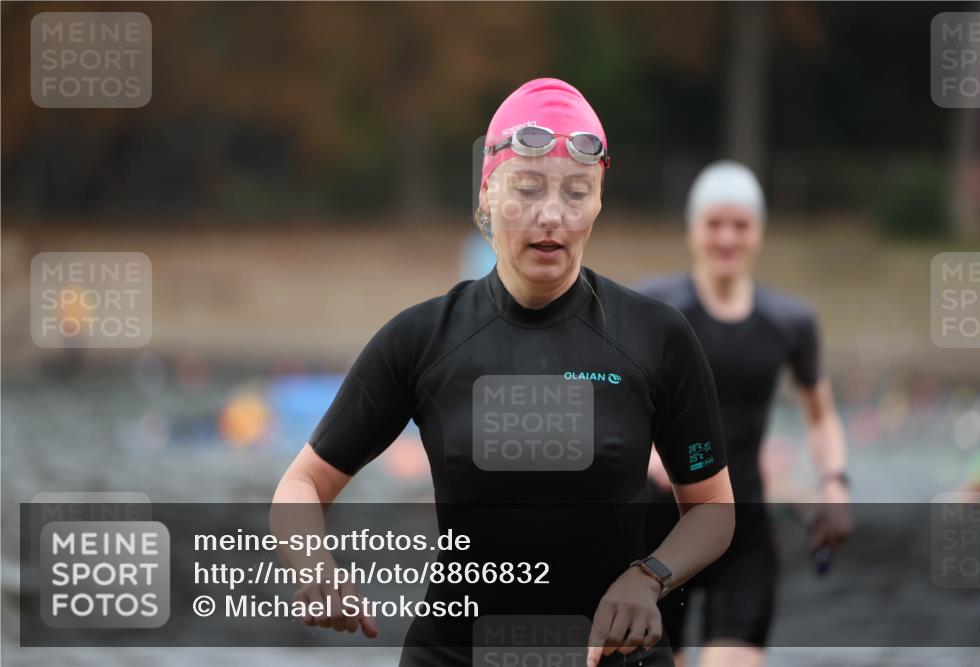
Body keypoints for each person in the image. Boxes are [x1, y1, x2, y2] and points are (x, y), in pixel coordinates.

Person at [271, 78, 735, 667]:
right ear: (488, 194)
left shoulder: (655, 337)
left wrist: (649, 578)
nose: (552, 215)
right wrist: (314, 567)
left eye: (576, 192)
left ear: (598, 200)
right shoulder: (423, 339)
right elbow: (301, 484)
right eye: (528, 188)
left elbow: (714, 509)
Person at [635, 160, 854, 667]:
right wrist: (647, 456)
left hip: (744, 527)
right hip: (657, 531)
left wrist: (835, 485)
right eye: (715, 224)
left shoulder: (789, 321)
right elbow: (613, 398)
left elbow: (821, 417)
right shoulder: (655, 308)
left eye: (740, 225)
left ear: (758, 233)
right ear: (693, 231)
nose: (727, 238)